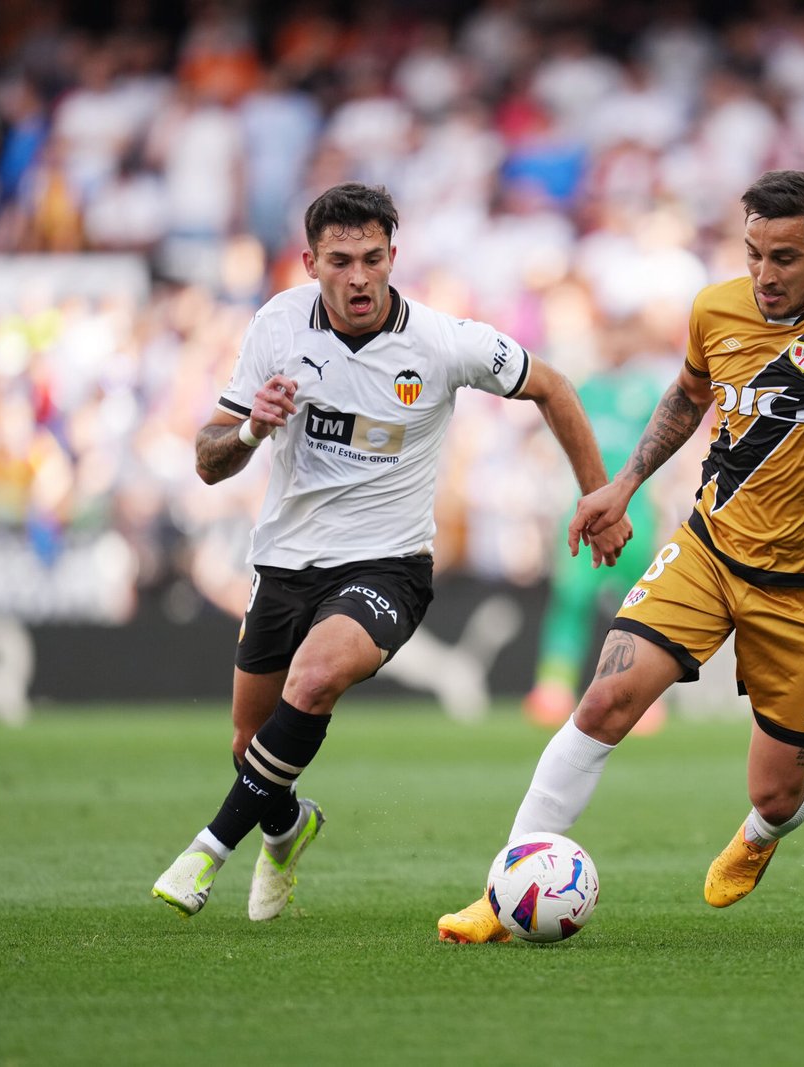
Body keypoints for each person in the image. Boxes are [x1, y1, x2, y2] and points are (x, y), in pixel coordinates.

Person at [436, 169, 804, 942]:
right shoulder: (716, 307)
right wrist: (623, 482)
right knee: (602, 701)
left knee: (775, 794)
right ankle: (504, 895)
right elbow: (688, 397)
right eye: (754, 253)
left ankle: (765, 831)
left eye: (785, 258)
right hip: (710, 551)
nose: (764, 275)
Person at [151, 181, 630, 920]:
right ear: (310, 261)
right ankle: (285, 827)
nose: (359, 277)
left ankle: (207, 849)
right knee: (252, 743)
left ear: (392, 256)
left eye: (373, 258)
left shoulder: (441, 342)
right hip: (283, 564)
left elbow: (556, 387)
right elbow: (207, 458)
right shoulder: (277, 326)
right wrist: (251, 430)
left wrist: (598, 494)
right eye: (340, 260)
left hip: (387, 567)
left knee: (310, 683)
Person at [524, 315, 670, 732]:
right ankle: (554, 688)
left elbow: (669, 460)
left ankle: (639, 695)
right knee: (572, 599)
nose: (618, 341)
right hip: (581, 512)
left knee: (640, 607)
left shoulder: (650, 393)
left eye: (625, 331)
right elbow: (550, 452)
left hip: (636, 514)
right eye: (612, 331)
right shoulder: (582, 389)